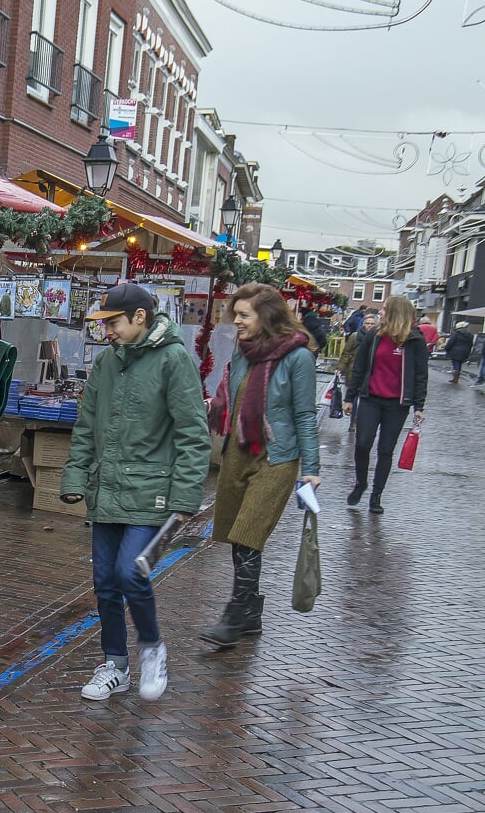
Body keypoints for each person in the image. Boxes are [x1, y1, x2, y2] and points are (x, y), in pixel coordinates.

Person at [59, 282, 210, 702]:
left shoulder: (174, 360)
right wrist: (75, 479)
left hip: (152, 492)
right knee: (105, 582)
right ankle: (116, 664)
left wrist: (184, 499)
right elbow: (87, 425)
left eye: (112, 322)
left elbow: (193, 435)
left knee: (131, 572)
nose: (105, 331)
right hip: (106, 489)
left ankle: (152, 647)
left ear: (139, 317)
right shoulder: (107, 362)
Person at [201, 283, 321, 649]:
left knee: (249, 531)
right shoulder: (243, 351)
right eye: (234, 314)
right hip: (239, 451)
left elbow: (303, 414)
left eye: (243, 314)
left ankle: (235, 615)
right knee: (238, 534)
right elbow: (232, 396)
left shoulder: (298, 358)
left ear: (266, 316)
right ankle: (252, 613)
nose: (235, 321)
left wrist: (311, 468)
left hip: (277, 457)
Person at [343, 296, 428, 514]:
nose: (380, 312)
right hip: (371, 398)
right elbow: (360, 366)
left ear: (394, 312)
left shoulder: (415, 340)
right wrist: (350, 397)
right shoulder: (375, 335)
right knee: (362, 444)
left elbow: (420, 375)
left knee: (385, 450)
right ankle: (361, 483)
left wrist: (419, 406)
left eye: (384, 309)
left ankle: (376, 496)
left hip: (397, 404)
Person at [336, 312, 378, 432]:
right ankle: (353, 420)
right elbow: (346, 353)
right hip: (354, 371)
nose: (369, 326)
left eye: (372, 324)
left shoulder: (377, 337)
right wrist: (340, 367)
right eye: (367, 323)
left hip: (369, 374)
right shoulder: (355, 336)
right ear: (363, 324)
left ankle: (361, 420)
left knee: (364, 399)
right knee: (353, 397)